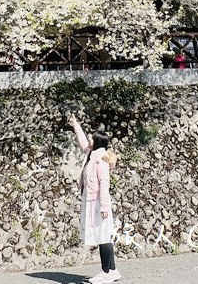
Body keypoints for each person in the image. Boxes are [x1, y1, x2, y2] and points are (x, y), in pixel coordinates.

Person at [67, 114, 120, 283]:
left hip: (97, 202)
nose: (88, 139)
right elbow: (83, 141)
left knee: (102, 235)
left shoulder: (101, 159)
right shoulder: (92, 154)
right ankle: (112, 270)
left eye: (91, 138)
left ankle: (107, 272)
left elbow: (104, 184)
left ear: (96, 142)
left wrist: (104, 207)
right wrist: (75, 124)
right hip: (92, 201)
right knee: (102, 235)